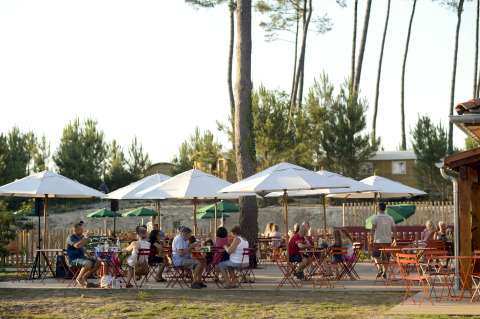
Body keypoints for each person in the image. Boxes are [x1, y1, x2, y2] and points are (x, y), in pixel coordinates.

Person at [65, 223, 103, 288]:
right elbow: (78, 245)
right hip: (73, 259)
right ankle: (79, 278)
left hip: (81, 258)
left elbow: (83, 248)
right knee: (88, 263)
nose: (82, 231)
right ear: (75, 231)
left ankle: (84, 277)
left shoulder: (79, 238)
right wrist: (86, 237)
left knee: (99, 262)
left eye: (83, 229)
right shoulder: (71, 237)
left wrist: (90, 256)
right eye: (81, 230)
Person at [370, 203, 397, 279]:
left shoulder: (375, 218)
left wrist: (371, 238)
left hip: (378, 240)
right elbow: (394, 229)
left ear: (378, 209)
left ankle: (380, 269)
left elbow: (373, 229)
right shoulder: (390, 218)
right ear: (385, 209)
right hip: (388, 240)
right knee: (386, 258)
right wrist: (395, 239)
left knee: (375, 255)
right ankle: (385, 272)